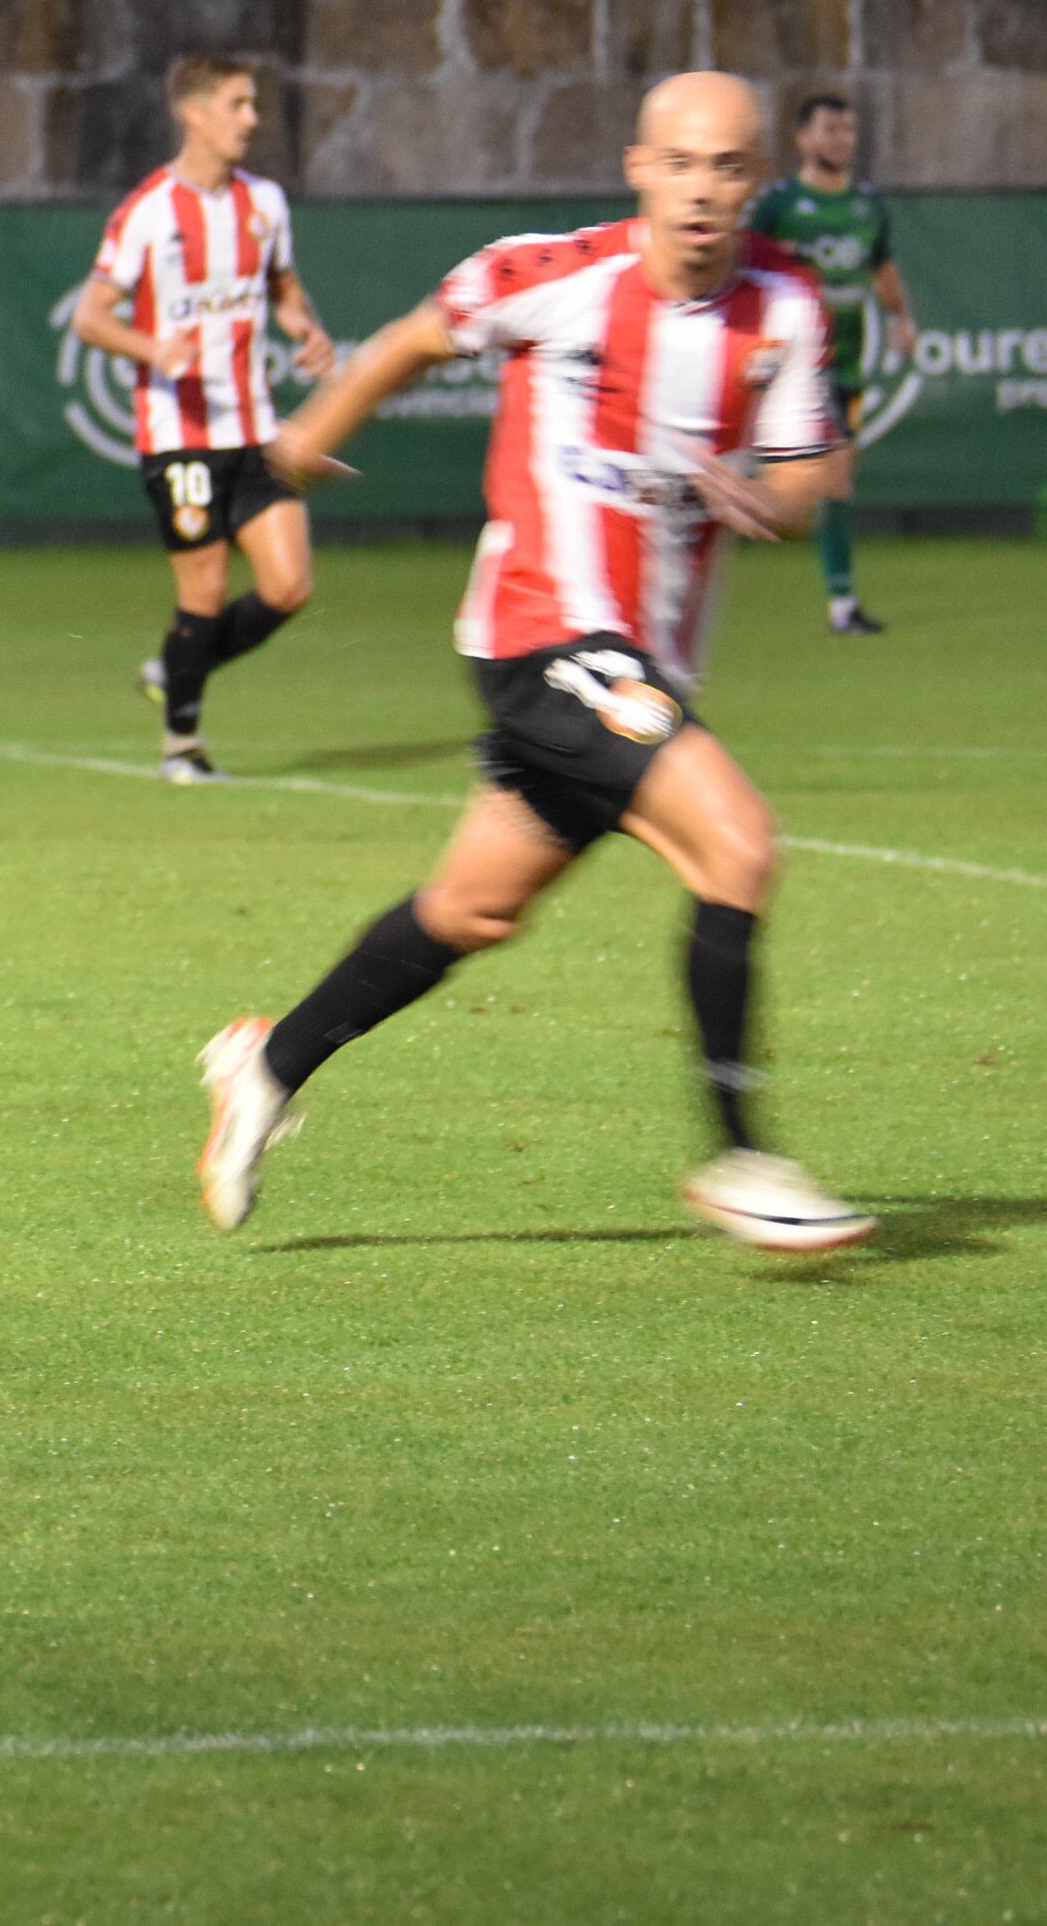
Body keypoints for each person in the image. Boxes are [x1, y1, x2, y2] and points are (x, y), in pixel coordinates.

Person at [198, 73, 871, 1256]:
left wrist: (764, 493)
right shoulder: (553, 276)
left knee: (470, 908)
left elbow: (815, 470)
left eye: (727, 168)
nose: (704, 190)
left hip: (646, 664)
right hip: (539, 630)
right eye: (681, 164)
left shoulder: (787, 300)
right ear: (638, 168)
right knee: (739, 843)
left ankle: (266, 1063)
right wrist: (305, 439)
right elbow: (417, 336)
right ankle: (740, 1155)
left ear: (753, 179)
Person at [67, 55, 335, 781]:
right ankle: (181, 743)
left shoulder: (265, 202)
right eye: (238, 104)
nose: (252, 118)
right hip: (177, 436)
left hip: (253, 430)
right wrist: (154, 346)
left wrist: (301, 326)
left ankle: (176, 664)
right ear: (193, 112)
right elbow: (92, 317)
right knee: (206, 593)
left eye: (253, 105)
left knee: (288, 587)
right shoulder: (148, 211)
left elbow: (281, 283)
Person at [746, 91, 914, 635]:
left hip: (846, 363)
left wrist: (901, 318)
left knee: (835, 479)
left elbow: (881, 268)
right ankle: (843, 606)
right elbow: (745, 266)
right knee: (835, 477)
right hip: (799, 360)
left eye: (846, 131)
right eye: (829, 130)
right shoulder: (781, 206)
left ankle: (840, 598)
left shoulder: (866, 205)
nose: (840, 140)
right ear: (803, 138)